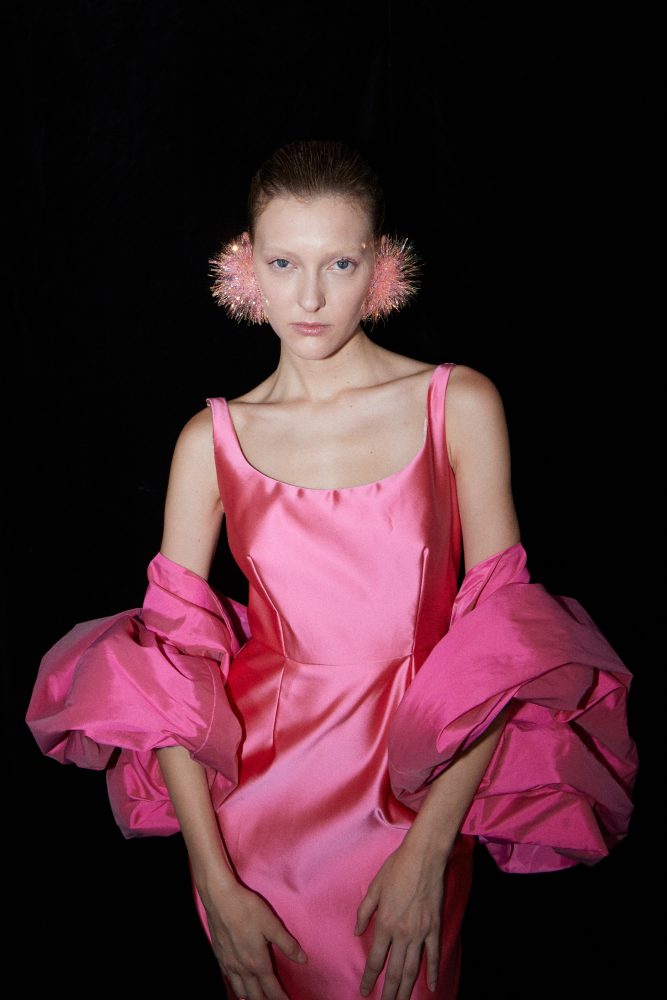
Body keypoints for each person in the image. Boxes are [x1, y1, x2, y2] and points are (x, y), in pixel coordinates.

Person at [25, 139, 638, 1000]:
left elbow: (506, 644)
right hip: (257, 816)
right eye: (284, 263)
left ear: (381, 264)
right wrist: (214, 882)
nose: (309, 298)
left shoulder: (457, 403)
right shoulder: (210, 441)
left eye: (339, 263)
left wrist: (429, 850)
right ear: (245, 264)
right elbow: (167, 673)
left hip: (417, 787)